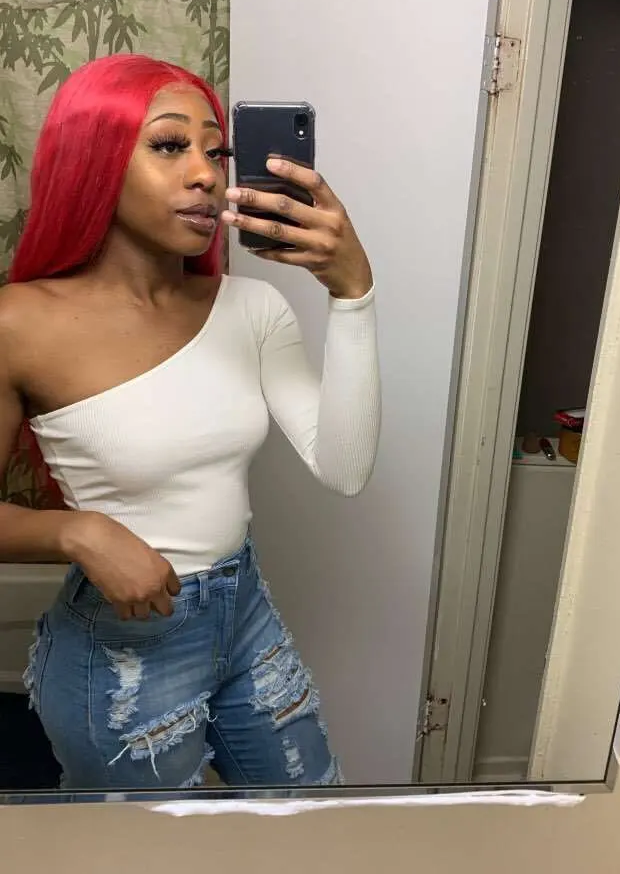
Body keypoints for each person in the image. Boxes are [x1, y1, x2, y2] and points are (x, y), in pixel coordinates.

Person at [0, 54, 380, 791]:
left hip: (246, 614)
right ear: (95, 161)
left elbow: (344, 468)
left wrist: (353, 294)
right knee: (153, 848)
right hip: (123, 653)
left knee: (315, 820)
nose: (206, 174)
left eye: (216, 151)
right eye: (170, 145)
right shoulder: (20, 323)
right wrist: (81, 532)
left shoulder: (251, 308)